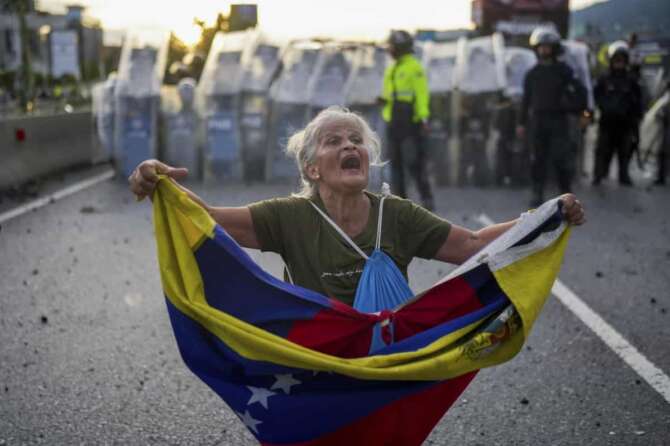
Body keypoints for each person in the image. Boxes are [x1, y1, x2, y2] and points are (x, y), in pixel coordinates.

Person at [129, 106, 585, 307]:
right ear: (312, 169)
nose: (351, 146)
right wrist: (156, 181)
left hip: (386, 363)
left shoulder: (397, 214)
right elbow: (207, 220)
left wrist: (543, 217)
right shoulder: (288, 217)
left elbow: (471, 245)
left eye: (357, 140)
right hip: (316, 361)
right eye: (334, 141)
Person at [517, 27, 587, 207]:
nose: (544, 50)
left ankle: (566, 194)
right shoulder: (532, 74)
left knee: (560, 158)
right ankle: (537, 192)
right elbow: (526, 100)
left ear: (554, 48)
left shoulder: (564, 70)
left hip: (558, 121)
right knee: (537, 159)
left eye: (547, 47)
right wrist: (521, 123)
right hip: (538, 121)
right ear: (536, 48)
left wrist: (579, 111)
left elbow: (580, 92)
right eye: (541, 47)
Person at [380, 30, 434, 210]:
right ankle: (400, 201)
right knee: (395, 162)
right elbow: (390, 94)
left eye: (392, 46)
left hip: (410, 121)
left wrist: (424, 119)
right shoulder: (393, 68)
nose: (390, 50)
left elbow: (421, 95)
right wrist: (383, 101)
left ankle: (426, 199)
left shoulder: (414, 67)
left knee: (414, 162)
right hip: (394, 121)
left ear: (401, 47)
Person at [592, 41, 643, 186]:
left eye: (622, 59)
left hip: (625, 123)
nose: (619, 62)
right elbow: (596, 96)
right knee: (602, 150)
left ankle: (624, 175)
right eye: (616, 59)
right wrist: (603, 107)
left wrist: (637, 117)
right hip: (607, 122)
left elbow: (639, 100)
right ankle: (598, 175)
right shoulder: (604, 78)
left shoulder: (631, 80)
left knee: (624, 151)